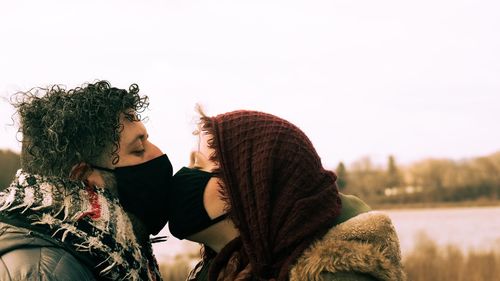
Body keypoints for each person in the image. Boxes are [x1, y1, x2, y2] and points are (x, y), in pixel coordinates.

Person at [167, 110, 406, 281]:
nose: (185, 176)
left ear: (252, 189)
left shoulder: (336, 276)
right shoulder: (226, 267)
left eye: (199, 166)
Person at [0, 81, 172, 280]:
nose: (158, 154)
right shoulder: (43, 272)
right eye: (138, 150)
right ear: (81, 177)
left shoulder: (108, 253)